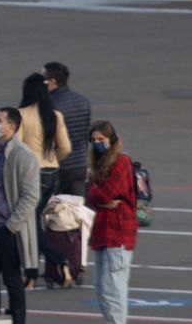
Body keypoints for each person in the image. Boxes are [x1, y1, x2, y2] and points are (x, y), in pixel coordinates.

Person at [0, 107, 39, 324]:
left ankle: (18, 320)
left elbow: (31, 196)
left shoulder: (23, 155)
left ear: (11, 127)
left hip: (7, 228)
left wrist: (11, 226)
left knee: (12, 280)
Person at [17, 72, 73, 288]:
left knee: (28, 222)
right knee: (33, 220)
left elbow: (17, 148)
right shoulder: (55, 115)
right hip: (51, 171)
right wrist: (52, 159)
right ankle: (39, 269)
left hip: (32, 173)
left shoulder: (21, 115)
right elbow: (66, 146)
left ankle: (47, 264)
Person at [87, 120, 137, 324]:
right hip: (102, 233)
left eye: (101, 139)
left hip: (118, 234)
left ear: (111, 139)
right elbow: (91, 195)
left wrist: (96, 194)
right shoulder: (99, 164)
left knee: (113, 291)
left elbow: (106, 192)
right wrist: (99, 197)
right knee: (101, 291)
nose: (97, 143)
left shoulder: (121, 161)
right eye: (93, 140)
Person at [43, 62, 92, 197]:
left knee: (52, 209)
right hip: (79, 165)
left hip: (57, 167)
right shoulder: (83, 101)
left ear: (52, 81)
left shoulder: (48, 103)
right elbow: (85, 134)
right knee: (76, 210)